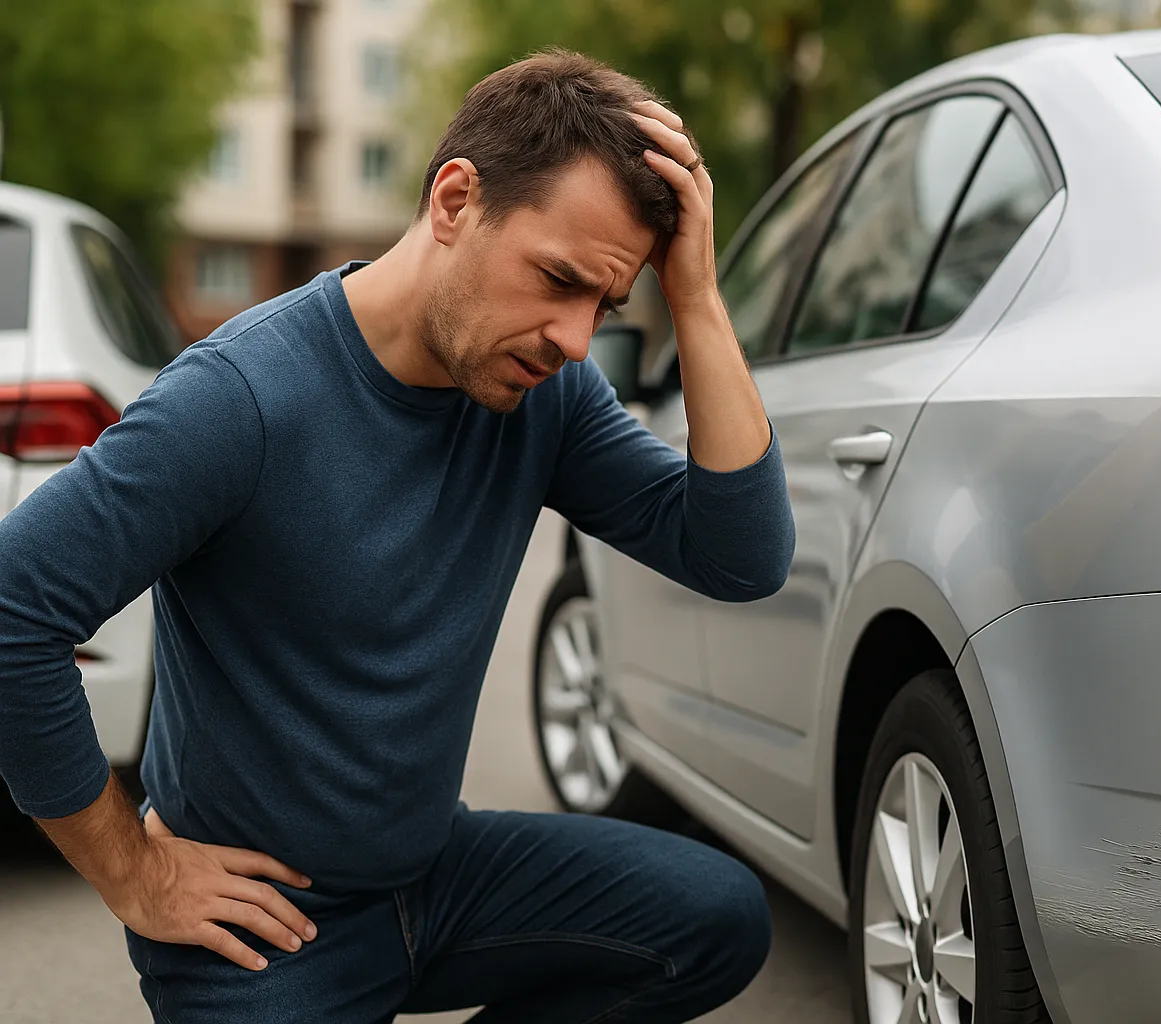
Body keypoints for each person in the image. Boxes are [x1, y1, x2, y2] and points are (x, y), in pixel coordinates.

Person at [0, 50, 794, 1022]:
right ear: (455, 200)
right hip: (264, 933)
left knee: (713, 915)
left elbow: (739, 557)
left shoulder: (547, 397)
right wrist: (133, 872)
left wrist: (699, 302)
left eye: (606, 303)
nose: (577, 338)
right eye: (556, 279)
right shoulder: (242, 398)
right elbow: (13, 609)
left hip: (437, 880)